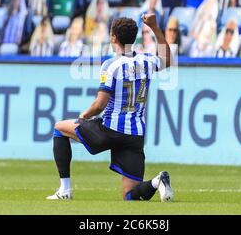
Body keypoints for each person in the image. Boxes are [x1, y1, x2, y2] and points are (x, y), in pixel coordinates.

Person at [47, 14, 174, 202]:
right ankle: (157, 182)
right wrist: (155, 27)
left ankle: (64, 189)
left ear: (113, 37)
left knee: (59, 128)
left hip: (109, 130)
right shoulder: (146, 61)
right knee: (130, 196)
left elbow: (100, 104)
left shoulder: (111, 65)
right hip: (135, 135)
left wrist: (85, 115)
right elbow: (167, 60)